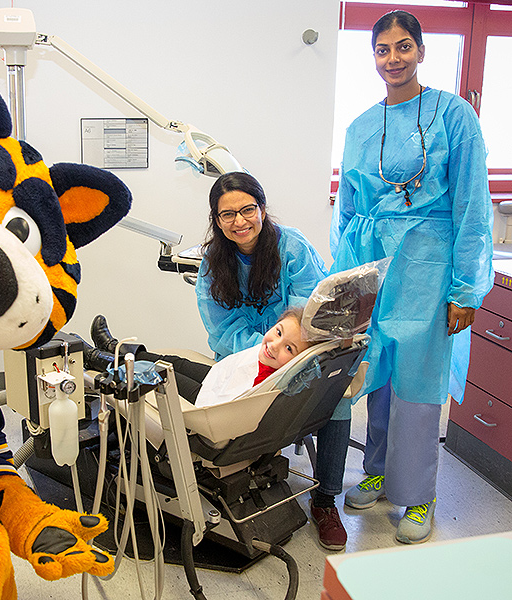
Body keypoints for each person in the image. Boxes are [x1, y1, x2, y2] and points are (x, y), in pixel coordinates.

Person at [331, 10, 494, 545]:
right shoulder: (359, 127)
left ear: (421, 52)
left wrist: (466, 289)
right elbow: (347, 211)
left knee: (418, 385)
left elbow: (472, 205)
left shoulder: (454, 115)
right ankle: (377, 471)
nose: (393, 58)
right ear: (373, 57)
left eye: (404, 46)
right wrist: (344, 282)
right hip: (370, 267)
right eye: (383, 49)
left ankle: (418, 494)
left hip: (429, 268)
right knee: (375, 373)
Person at [190, 171, 350, 551]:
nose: (239, 221)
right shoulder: (212, 264)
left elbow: (309, 315)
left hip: (298, 353)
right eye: (227, 214)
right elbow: (223, 330)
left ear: (262, 209)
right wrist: (266, 353)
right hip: (247, 354)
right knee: (240, 401)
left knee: (338, 400)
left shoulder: (291, 247)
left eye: (247, 209)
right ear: (216, 220)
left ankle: (325, 501)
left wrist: (285, 353)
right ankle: (252, 483)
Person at [84, 308, 316, 406]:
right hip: (220, 380)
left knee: (157, 371)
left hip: (213, 405)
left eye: (289, 348)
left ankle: (96, 358)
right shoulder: (270, 358)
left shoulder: (270, 380)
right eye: (278, 332)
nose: (274, 345)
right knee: (175, 361)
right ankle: (114, 348)